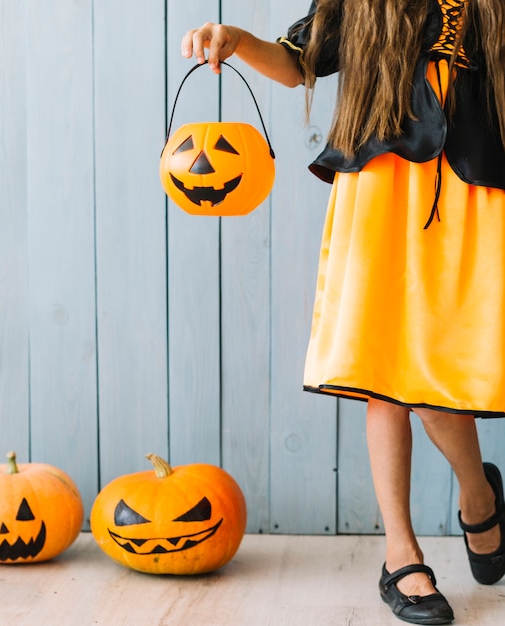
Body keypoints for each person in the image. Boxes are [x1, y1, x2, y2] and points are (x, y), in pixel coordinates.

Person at [182, 1, 505, 624]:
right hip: (382, 177)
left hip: (472, 183)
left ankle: (479, 496)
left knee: (442, 368)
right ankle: (401, 556)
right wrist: (238, 39)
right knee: (382, 370)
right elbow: (300, 62)